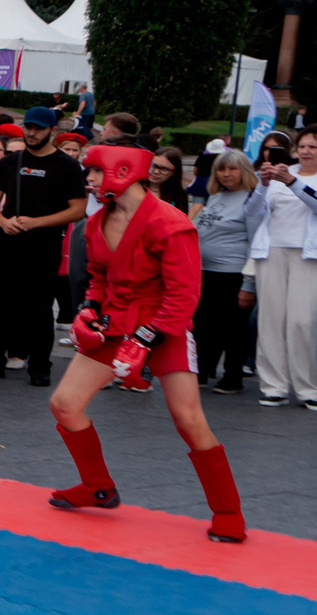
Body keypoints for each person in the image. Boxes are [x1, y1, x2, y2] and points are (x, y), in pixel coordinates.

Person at [46, 144, 245, 543]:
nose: (90, 180)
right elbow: (100, 276)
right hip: (116, 323)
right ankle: (97, 487)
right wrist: (89, 307)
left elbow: (184, 294)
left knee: (188, 419)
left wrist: (145, 338)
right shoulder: (100, 221)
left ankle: (228, 512)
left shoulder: (169, 223)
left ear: (121, 171)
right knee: (65, 404)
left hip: (165, 327)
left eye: (96, 173)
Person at [0, 106, 85, 385]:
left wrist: (39, 222)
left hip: (43, 245)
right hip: (5, 241)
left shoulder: (67, 166)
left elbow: (78, 209)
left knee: (39, 308)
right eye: (28, 127)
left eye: (38, 128)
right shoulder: (12, 161)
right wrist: (1, 221)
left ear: (52, 131)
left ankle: (40, 366)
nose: (31, 133)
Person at [248, 128, 317, 407]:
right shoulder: (277, 174)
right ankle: (274, 385)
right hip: (272, 252)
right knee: (270, 321)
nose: (306, 150)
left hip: (308, 255)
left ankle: (308, 388)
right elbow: (250, 211)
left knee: (302, 322)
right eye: (302, 145)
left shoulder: (288, 177)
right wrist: (263, 184)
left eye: (313, 146)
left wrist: (292, 182)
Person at [194, 151, 263, 395]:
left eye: (232, 169)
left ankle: (233, 377)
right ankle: (201, 371)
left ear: (244, 171)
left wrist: (248, 284)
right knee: (202, 325)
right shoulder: (216, 196)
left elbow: (255, 243)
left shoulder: (252, 200)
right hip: (205, 272)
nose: (226, 174)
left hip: (232, 274)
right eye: (221, 169)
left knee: (233, 328)